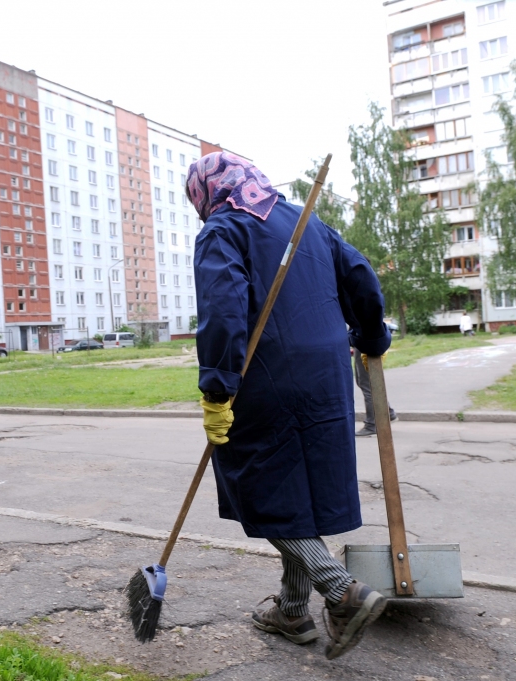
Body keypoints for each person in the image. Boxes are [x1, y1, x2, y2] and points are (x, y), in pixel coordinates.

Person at [190, 152, 390, 660]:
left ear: (206, 191)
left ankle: (341, 590)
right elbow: (361, 277)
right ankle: (293, 610)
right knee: (297, 489)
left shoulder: (223, 229)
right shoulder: (305, 220)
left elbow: (223, 311)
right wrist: (371, 336)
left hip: (266, 374)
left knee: (258, 486)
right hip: (326, 376)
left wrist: (217, 388)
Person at [353, 342, 396, 437]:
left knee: (367, 385)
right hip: (363, 343)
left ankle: (371, 424)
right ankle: (388, 413)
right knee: (363, 382)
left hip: (365, 342)